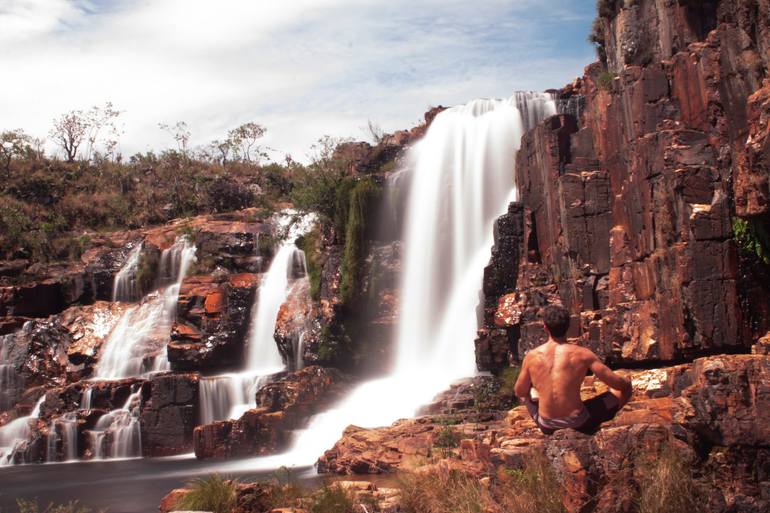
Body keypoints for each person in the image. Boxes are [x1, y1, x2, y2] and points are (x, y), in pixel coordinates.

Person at [514, 304, 632, 435]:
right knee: (623, 389)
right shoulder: (583, 354)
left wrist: (536, 389)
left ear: (545, 327)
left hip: (546, 426)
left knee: (526, 394)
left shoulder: (531, 356)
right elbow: (617, 384)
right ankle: (597, 427)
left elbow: (519, 391)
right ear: (568, 326)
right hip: (578, 423)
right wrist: (627, 382)